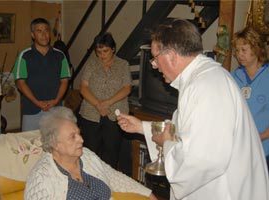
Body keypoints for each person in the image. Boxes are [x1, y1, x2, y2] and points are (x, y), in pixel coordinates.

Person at [117, 19, 269, 200]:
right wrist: (142, 127)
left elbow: (202, 160)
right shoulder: (200, 79)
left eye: (155, 58)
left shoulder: (206, 86)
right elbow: (185, 129)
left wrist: (167, 144)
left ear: (171, 55)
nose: (154, 66)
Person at [25, 106, 156, 200]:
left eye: (79, 133)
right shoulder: (42, 178)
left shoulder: (86, 156)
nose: (81, 140)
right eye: (72, 137)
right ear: (55, 144)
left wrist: (148, 194)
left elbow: (113, 176)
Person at [78, 32, 132, 169]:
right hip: (91, 114)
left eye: (105, 51)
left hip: (114, 114)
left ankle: (109, 182)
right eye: (99, 51)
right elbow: (83, 88)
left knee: (111, 152)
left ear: (113, 49)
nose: (102, 55)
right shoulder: (91, 64)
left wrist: (107, 102)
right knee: (90, 151)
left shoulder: (123, 65)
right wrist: (98, 104)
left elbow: (127, 88)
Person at [12, 18, 71, 131]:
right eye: (39, 31)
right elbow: (20, 83)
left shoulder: (59, 55)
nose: (44, 35)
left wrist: (56, 100)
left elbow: (64, 81)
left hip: (55, 109)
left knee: (55, 144)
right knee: (29, 143)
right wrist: (37, 102)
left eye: (46, 30)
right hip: (32, 109)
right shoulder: (25, 55)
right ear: (33, 35)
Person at [231, 27, 269, 169]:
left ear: (257, 49)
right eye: (237, 50)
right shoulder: (234, 77)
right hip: (239, 149)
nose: (239, 55)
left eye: (244, 50)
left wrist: (261, 136)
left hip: (264, 150)